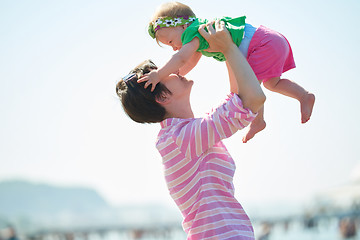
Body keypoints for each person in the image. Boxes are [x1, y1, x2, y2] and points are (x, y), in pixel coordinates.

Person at [116, 20, 265, 239]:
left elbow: (238, 98)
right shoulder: (180, 138)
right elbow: (253, 99)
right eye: (163, 71)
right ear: (162, 96)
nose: (173, 68)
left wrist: (227, 46)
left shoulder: (183, 134)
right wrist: (229, 48)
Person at [140, 1, 315, 143]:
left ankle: (258, 121)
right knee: (272, 83)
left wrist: (159, 75)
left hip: (260, 45)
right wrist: (176, 75)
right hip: (271, 40)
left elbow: (181, 58)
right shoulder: (198, 34)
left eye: (171, 41)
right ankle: (304, 96)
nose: (173, 48)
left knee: (249, 87)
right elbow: (190, 61)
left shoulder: (192, 32)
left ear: (183, 25)